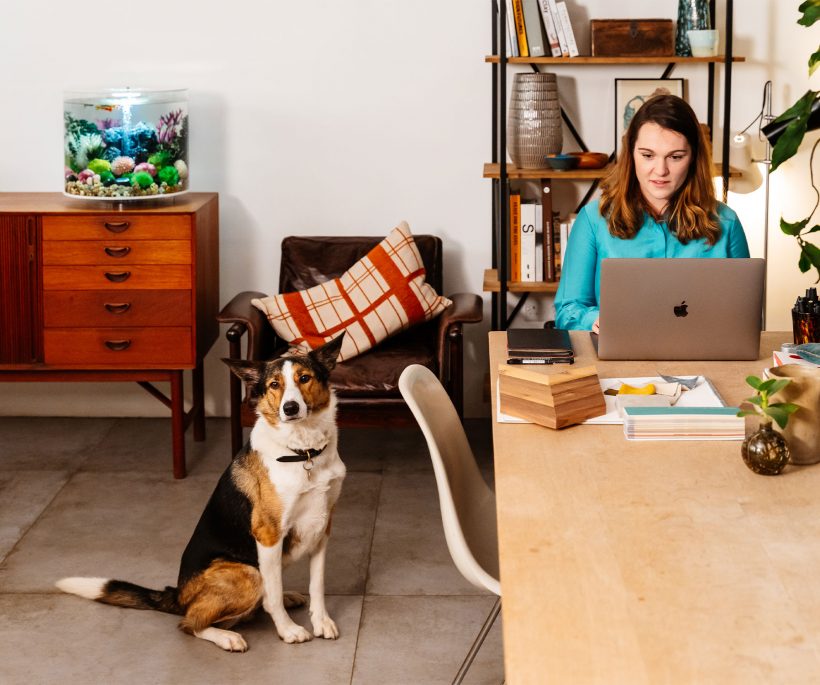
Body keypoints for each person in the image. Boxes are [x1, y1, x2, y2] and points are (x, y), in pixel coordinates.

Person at [553, 94, 750, 331]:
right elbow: (568, 310)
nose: (660, 170)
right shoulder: (593, 219)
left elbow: (746, 317)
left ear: (694, 158)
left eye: (675, 157)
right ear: (631, 154)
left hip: (705, 362)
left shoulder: (726, 223)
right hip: (618, 361)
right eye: (647, 155)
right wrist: (595, 320)